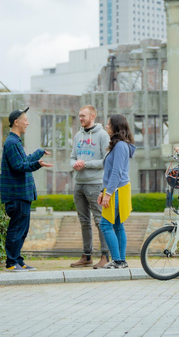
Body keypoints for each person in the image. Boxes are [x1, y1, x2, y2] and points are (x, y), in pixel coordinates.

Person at [0, 107, 53, 272]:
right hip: (16, 195)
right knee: (16, 228)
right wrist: (37, 164)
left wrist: (38, 154)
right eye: (25, 120)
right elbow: (19, 166)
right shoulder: (11, 142)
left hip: (22, 194)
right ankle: (11, 263)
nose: (28, 123)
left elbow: (24, 161)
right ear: (17, 122)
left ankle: (18, 260)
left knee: (22, 229)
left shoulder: (16, 142)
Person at [69, 105, 111, 269]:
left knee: (100, 220)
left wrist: (85, 164)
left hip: (95, 184)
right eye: (79, 116)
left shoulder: (102, 135)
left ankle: (105, 256)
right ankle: (87, 256)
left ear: (92, 116)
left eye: (83, 116)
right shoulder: (78, 135)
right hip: (79, 183)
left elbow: (106, 161)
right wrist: (75, 164)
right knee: (84, 221)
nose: (80, 119)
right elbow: (72, 158)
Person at [97, 114, 135, 269]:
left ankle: (118, 260)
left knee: (105, 224)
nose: (106, 126)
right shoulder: (119, 145)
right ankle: (121, 261)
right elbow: (109, 171)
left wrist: (108, 193)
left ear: (116, 126)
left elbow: (116, 172)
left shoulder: (120, 146)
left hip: (117, 189)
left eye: (108, 124)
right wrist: (102, 191)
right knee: (118, 225)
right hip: (117, 189)